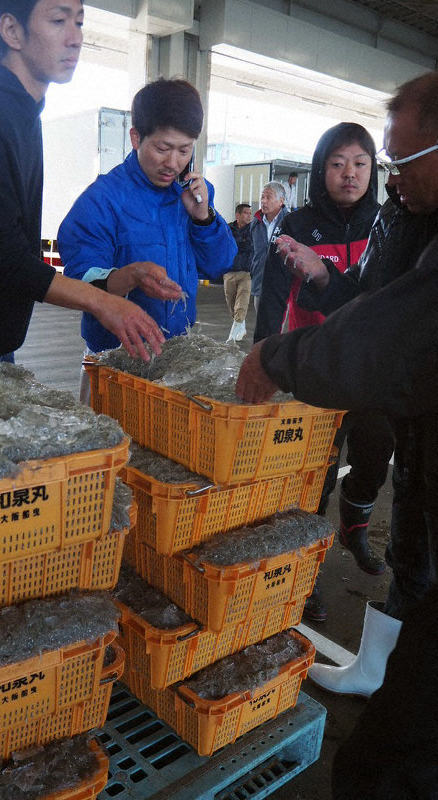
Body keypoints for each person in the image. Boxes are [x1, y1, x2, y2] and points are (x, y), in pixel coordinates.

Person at [236, 68, 438, 732]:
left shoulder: (395, 213)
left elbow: (391, 336)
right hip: (373, 402)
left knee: (373, 475)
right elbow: (370, 300)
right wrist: (318, 286)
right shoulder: (404, 215)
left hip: (364, 383)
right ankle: (374, 664)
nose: (384, 176)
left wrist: (277, 359)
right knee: (406, 540)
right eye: (347, 162)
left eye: (390, 162)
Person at [0, 0, 166, 367]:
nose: (75, 38)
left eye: (79, 22)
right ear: (12, 31)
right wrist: (102, 302)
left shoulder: (21, 112)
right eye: (58, 20)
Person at [255, 123, 395, 622]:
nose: (349, 173)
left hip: (374, 378)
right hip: (316, 376)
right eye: (337, 164)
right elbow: (272, 300)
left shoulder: (387, 223)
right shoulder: (296, 224)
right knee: (313, 478)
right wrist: (265, 357)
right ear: (321, 170)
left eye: (359, 163)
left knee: (373, 463)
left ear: (373, 170)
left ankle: (355, 530)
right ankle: (306, 570)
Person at [58, 77, 237, 401]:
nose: (173, 163)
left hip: (178, 360)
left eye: (184, 150)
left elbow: (219, 265)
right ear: (136, 137)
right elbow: (80, 283)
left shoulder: (194, 194)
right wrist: (130, 276)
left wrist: (204, 218)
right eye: (163, 148)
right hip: (113, 364)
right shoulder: (101, 200)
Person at [250, 181, 288, 315]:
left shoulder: (290, 222)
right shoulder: (256, 223)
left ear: (281, 201)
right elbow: (253, 251)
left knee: (276, 325)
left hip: (281, 286)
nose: (263, 201)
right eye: (262, 197)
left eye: (268, 197)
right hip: (259, 283)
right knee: (260, 322)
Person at [224, 203, 253, 342]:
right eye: (246, 213)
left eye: (250, 213)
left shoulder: (253, 229)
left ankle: (232, 337)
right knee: (232, 305)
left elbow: (250, 246)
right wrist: (242, 242)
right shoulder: (228, 228)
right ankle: (241, 327)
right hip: (229, 272)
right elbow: (227, 245)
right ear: (238, 215)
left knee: (242, 304)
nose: (249, 216)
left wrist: (238, 243)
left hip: (246, 273)